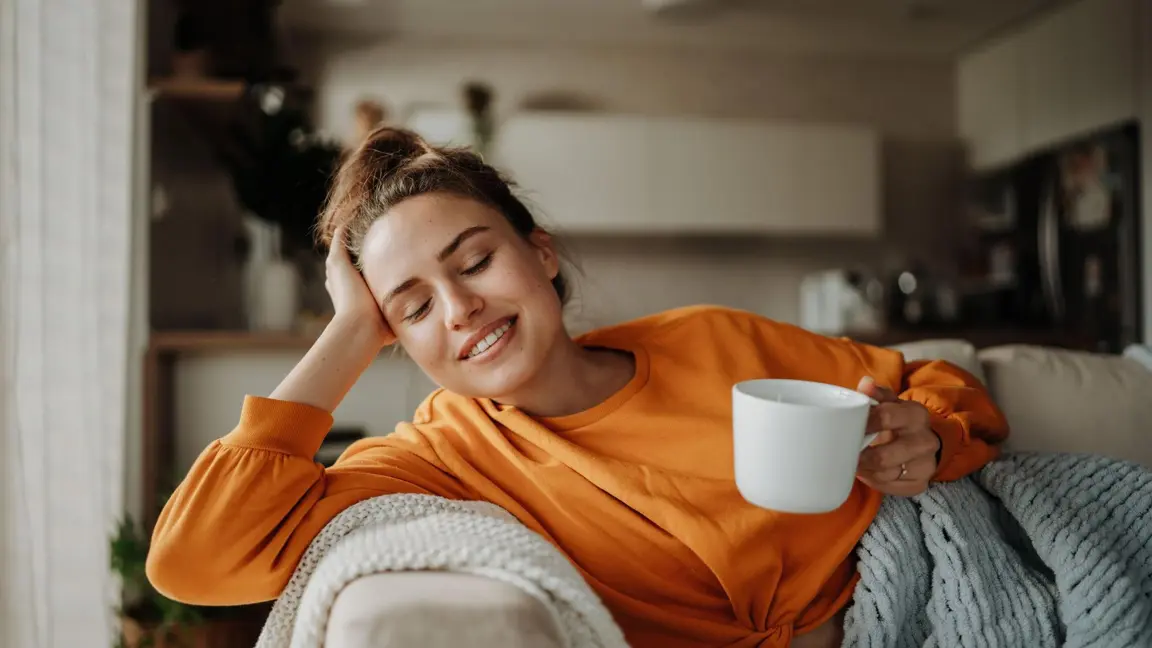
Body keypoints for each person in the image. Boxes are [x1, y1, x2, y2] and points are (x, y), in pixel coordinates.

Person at [146, 127, 1009, 648]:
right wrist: (344, 334)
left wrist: (929, 433)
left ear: (541, 253)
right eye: (412, 308)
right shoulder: (440, 459)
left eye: (475, 261)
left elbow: (933, 381)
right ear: (391, 338)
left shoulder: (712, 339)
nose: (460, 309)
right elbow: (193, 560)